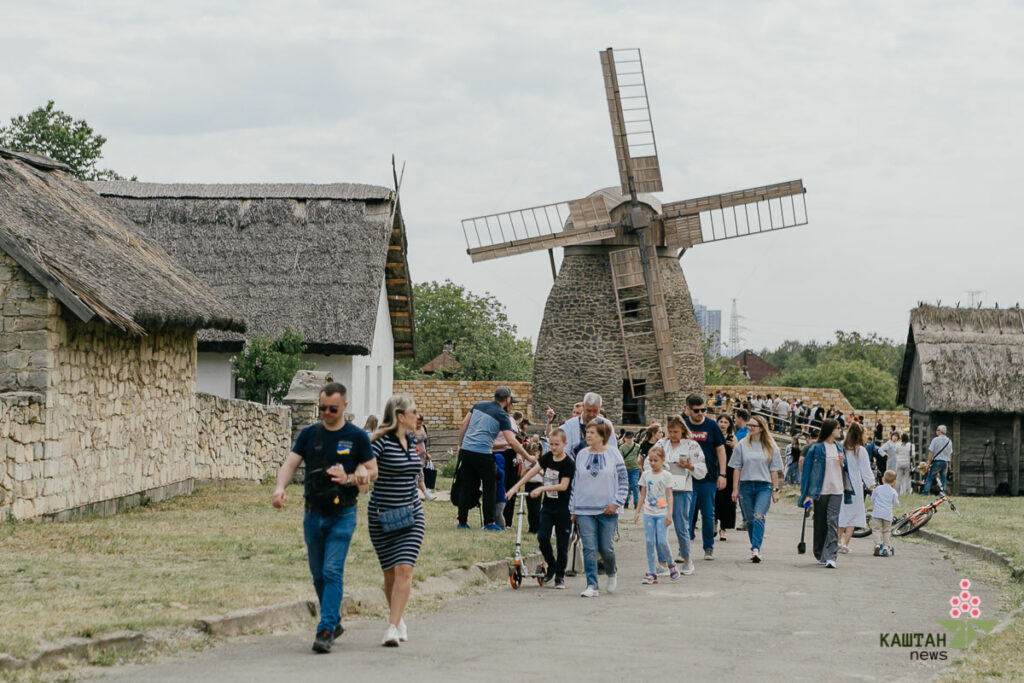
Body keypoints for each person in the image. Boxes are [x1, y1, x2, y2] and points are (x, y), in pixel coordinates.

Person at [271, 382, 376, 654]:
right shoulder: (309, 434)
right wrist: (280, 488)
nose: (326, 413)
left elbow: (372, 470)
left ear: (344, 407)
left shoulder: (357, 437)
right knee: (318, 574)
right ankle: (335, 619)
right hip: (313, 513)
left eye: (332, 408)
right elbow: (290, 464)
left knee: (331, 570)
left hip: (343, 513)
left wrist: (353, 477)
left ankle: (326, 628)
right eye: (322, 408)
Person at [368, 395, 426, 647]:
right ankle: (398, 617)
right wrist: (360, 474)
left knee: (405, 568)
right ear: (400, 416)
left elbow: (415, 471)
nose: (418, 416)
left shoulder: (412, 440)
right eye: (414, 412)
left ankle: (392, 627)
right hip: (382, 515)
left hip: (412, 514)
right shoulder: (380, 442)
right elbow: (366, 464)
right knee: (390, 572)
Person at [456, 386, 533, 530]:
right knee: (490, 486)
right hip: (483, 453)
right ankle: (489, 523)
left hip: (466, 450)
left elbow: (463, 424)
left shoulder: (479, 405)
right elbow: (511, 441)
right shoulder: (501, 415)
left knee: (465, 486)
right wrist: (528, 456)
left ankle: (462, 521)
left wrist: (460, 445)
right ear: (508, 399)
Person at [507, 428, 576, 589]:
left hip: (563, 509)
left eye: (556, 444)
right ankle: (551, 565)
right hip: (548, 508)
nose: (553, 447)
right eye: (551, 444)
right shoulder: (547, 458)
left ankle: (560, 576)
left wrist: (541, 489)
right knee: (542, 537)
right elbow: (532, 472)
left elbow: (563, 486)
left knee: (561, 543)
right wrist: (516, 487)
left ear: (564, 444)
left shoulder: (568, 464)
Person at [569, 420, 627, 598]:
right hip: (584, 508)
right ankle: (591, 584)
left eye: (592, 432)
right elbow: (575, 483)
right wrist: (573, 508)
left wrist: (617, 502)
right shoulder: (581, 455)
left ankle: (611, 572)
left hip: (607, 509)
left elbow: (624, 481)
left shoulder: (614, 454)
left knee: (605, 547)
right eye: (587, 432)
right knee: (588, 547)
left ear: (602, 436)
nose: (588, 435)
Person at [652, 415, 705, 574]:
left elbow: (701, 470)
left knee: (681, 525)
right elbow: (651, 461)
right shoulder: (662, 444)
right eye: (669, 431)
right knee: (660, 525)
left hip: (682, 489)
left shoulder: (692, 445)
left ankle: (687, 559)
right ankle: (662, 562)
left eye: (675, 431)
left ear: (682, 430)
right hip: (663, 489)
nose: (672, 435)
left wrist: (688, 466)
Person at [799, 419, 855, 569]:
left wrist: (843, 463)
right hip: (820, 491)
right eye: (838, 428)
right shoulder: (815, 448)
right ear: (830, 430)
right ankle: (820, 553)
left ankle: (831, 556)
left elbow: (844, 471)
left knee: (832, 522)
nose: (840, 431)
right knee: (820, 523)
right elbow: (808, 473)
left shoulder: (839, 448)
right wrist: (807, 494)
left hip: (837, 490)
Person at [729, 415, 783, 562]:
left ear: (761, 428)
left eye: (753, 426)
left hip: (763, 486)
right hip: (745, 485)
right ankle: (755, 545)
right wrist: (735, 489)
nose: (750, 428)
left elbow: (774, 470)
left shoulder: (771, 446)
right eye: (749, 425)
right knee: (750, 520)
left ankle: (755, 548)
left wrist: (775, 490)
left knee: (759, 516)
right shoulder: (742, 445)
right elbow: (737, 468)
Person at [683, 394, 727, 561]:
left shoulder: (712, 425)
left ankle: (708, 547)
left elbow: (720, 450)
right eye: (696, 410)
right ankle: (684, 548)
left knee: (708, 513)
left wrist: (722, 474)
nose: (700, 413)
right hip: (687, 478)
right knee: (686, 513)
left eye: (703, 410)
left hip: (708, 478)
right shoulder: (684, 426)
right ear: (688, 410)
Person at [634, 446, 679, 584]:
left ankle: (671, 564)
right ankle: (652, 572)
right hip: (649, 512)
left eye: (656, 460)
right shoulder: (646, 475)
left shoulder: (667, 476)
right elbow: (642, 494)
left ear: (662, 460)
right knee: (649, 541)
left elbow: (669, 495)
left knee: (661, 541)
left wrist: (669, 513)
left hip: (662, 512)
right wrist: (637, 511)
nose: (653, 463)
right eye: (651, 460)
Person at [837, 423, 876, 554]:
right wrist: (872, 485)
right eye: (865, 434)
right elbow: (866, 471)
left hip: (841, 482)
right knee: (853, 514)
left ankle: (836, 541)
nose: (866, 437)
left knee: (842, 511)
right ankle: (845, 543)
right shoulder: (860, 450)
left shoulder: (841, 446)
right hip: (855, 484)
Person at [549, 392, 617, 458]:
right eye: (589, 411)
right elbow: (565, 452)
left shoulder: (606, 425)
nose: (591, 414)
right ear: (583, 407)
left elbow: (613, 451)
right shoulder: (569, 425)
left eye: (595, 411)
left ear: (600, 408)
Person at [715, 414, 737, 542]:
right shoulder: (714, 436)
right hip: (715, 470)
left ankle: (723, 528)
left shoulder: (732, 438)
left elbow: (739, 455)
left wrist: (734, 446)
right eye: (721, 421)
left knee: (727, 501)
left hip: (729, 472)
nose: (723, 424)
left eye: (725, 422)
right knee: (716, 499)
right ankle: (715, 522)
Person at [870, 470, 899, 556]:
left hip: (877, 513)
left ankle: (878, 544)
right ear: (894, 482)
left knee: (876, 529)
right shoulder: (893, 492)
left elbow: (872, 499)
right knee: (886, 531)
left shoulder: (878, 489)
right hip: (887, 514)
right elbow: (896, 503)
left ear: (883, 479)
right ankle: (886, 547)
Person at [412, 414, 436, 501]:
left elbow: (427, 442)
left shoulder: (424, 428)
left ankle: (418, 494)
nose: (418, 425)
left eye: (420, 423)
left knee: (419, 474)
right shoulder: (410, 429)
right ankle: (426, 494)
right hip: (414, 455)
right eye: (417, 423)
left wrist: (427, 453)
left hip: (422, 456)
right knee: (418, 474)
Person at [923, 425, 953, 495]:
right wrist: (949, 464)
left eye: (937, 430)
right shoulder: (949, 441)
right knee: (943, 479)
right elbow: (950, 454)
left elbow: (931, 452)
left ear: (939, 431)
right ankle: (942, 493)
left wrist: (928, 463)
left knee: (930, 477)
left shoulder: (935, 440)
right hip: (945, 462)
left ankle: (925, 492)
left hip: (937, 461)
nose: (936, 431)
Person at [619, 431, 641, 509]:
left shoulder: (637, 446)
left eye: (631, 438)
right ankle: (626, 502)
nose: (629, 440)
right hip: (625, 469)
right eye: (628, 438)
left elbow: (639, 456)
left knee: (635, 485)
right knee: (627, 486)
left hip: (635, 468)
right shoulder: (622, 447)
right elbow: (620, 457)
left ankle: (636, 502)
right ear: (625, 438)